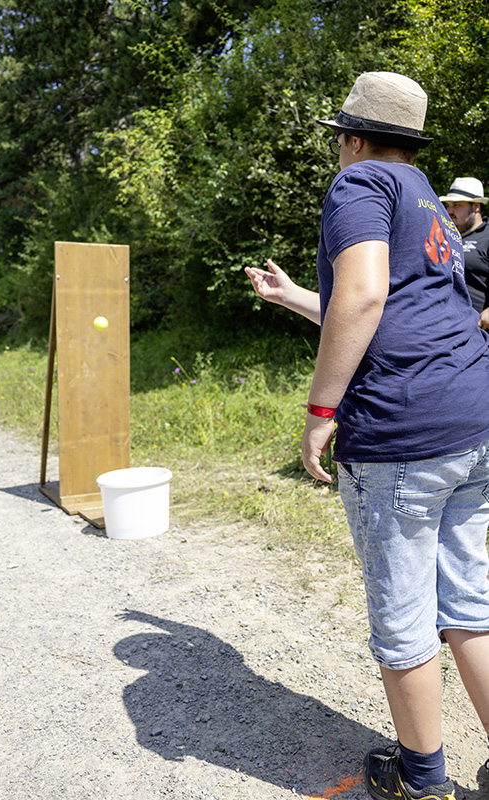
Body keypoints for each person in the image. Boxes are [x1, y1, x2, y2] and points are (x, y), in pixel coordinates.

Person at [245, 71, 489, 800]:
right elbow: (390, 314)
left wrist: (321, 412)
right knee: (469, 601)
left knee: (403, 613)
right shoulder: (430, 204)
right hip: (472, 420)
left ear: (350, 139)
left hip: (401, 433)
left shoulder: (358, 185)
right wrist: (293, 297)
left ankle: (421, 782)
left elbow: (363, 295)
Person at [439, 177, 489, 329]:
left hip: (481, 334)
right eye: (448, 206)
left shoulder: (487, 236)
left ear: (476, 206)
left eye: (456, 205)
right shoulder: (445, 236)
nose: (449, 211)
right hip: (448, 331)